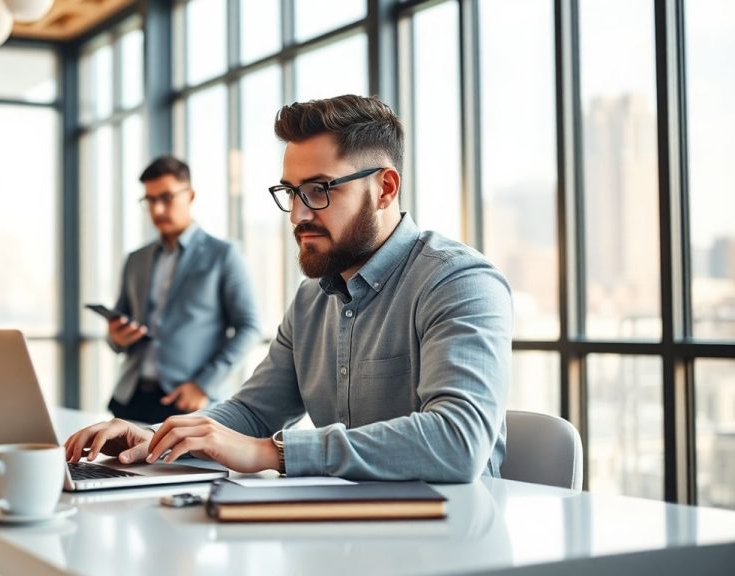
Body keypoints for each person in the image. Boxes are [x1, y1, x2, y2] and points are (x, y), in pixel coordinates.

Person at [68, 96, 512, 483]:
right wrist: (157, 436)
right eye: (291, 192)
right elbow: (252, 412)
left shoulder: (458, 281)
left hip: (453, 536)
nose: (298, 214)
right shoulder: (312, 298)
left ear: (384, 188)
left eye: (319, 190)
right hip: (344, 529)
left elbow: (459, 440)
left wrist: (273, 452)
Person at [102, 155, 261, 424]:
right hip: (130, 398)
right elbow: (118, 327)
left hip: (188, 401)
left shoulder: (223, 255)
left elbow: (249, 327)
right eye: (150, 201)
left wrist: (204, 384)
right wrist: (116, 336)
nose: (158, 210)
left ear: (190, 195)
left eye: (166, 198)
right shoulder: (136, 259)